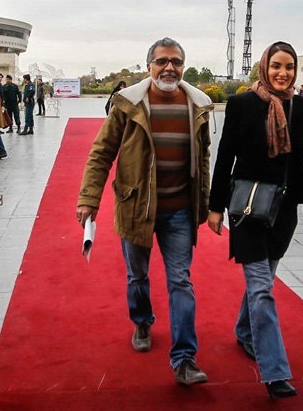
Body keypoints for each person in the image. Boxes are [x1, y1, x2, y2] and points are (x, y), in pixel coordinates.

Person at [207, 41, 303, 399]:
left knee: (263, 280)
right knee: (261, 288)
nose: (282, 73)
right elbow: (225, 158)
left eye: (289, 67)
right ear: (264, 67)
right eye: (276, 66)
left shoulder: (302, 108)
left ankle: (244, 331)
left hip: (284, 210)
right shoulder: (241, 105)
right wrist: (215, 207)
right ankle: (275, 372)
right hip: (249, 208)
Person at [76, 37, 213, 386]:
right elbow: (101, 152)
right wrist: (89, 197)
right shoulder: (128, 104)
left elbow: (205, 157)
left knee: (180, 280)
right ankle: (142, 319)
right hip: (136, 205)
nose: (170, 67)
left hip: (179, 209)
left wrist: (208, 200)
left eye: (176, 62)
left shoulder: (197, 105)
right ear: (149, 65)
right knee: (137, 276)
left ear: (184, 66)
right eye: (162, 61)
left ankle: (184, 359)